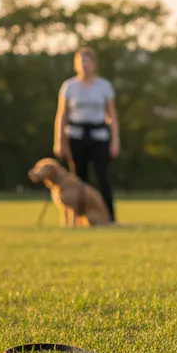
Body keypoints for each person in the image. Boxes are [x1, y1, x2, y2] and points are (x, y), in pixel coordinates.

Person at [53, 48, 120, 223]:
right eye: (81, 61)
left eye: (87, 61)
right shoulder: (69, 86)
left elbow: (111, 115)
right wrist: (59, 140)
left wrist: (115, 140)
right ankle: (78, 218)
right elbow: (62, 115)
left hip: (98, 135)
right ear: (76, 65)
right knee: (78, 179)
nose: (84, 65)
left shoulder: (104, 86)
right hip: (75, 135)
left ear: (94, 64)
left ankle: (109, 217)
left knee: (102, 178)